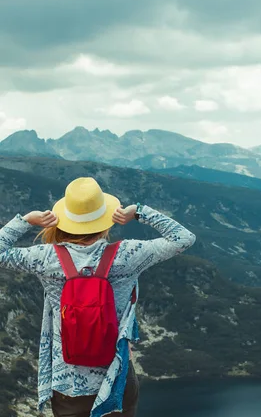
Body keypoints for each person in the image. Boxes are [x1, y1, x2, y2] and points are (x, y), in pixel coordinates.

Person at [0, 176, 196, 417]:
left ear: (65, 219)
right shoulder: (128, 253)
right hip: (117, 381)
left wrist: (26, 220)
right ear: (106, 219)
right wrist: (139, 212)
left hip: (68, 385)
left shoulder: (45, 257)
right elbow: (184, 238)